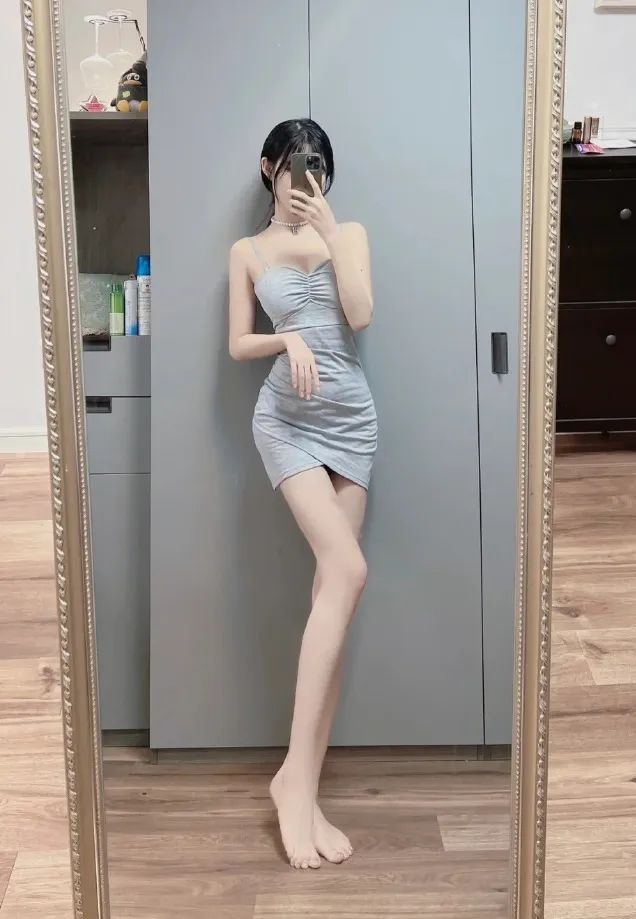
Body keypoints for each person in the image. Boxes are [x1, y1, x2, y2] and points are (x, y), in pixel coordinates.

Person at [228, 118, 377, 869]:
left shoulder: (348, 233)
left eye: (316, 165)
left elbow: (360, 313)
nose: (304, 179)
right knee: (348, 571)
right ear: (269, 169)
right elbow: (237, 345)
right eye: (293, 166)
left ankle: (300, 783)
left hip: (351, 425)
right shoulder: (247, 251)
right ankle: (294, 789)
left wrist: (331, 231)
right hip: (285, 422)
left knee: (334, 599)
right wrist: (285, 338)